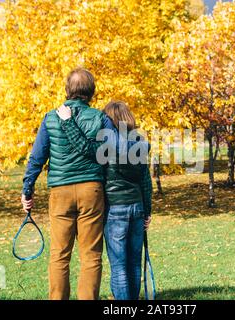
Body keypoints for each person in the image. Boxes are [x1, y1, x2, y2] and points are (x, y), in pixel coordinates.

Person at [21, 68, 115, 300]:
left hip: (60, 191)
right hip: (91, 191)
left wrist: (27, 189)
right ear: (91, 92)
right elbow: (111, 153)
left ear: (67, 90)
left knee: (59, 254)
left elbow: (37, 158)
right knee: (91, 255)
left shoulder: (51, 117)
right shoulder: (101, 118)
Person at [57, 100, 152, 300]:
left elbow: (84, 148)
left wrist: (68, 122)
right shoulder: (140, 144)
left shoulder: (106, 146)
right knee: (134, 262)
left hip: (114, 209)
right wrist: (147, 211)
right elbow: (145, 181)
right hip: (136, 207)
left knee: (119, 266)